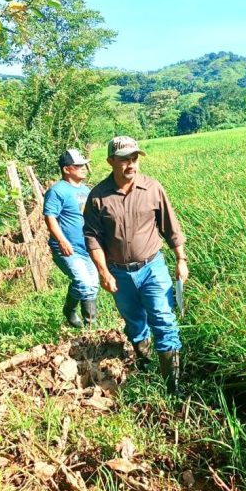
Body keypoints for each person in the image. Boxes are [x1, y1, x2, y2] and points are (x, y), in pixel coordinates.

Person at [83, 136, 189, 396]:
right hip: (119, 272)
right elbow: (92, 238)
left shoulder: (153, 189)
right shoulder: (98, 197)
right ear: (110, 162)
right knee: (135, 324)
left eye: (134, 159)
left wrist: (181, 259)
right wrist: (103, 273)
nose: (131, 165)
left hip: (153, 267)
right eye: (124, 160)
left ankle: (171, 388)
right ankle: (144, 360)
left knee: (164, 320)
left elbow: (170, 227)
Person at [43, 149, 100, 328]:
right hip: (67, 248)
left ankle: (91, 327)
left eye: (84, 164)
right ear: (67, 169)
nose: (84, 168)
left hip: (86, 247)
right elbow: (50, 217)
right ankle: (70, 311)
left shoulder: (86, 190)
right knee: (83, 282)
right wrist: (61, 240)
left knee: (93, 284)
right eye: (78, 165)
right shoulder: (57, 191)